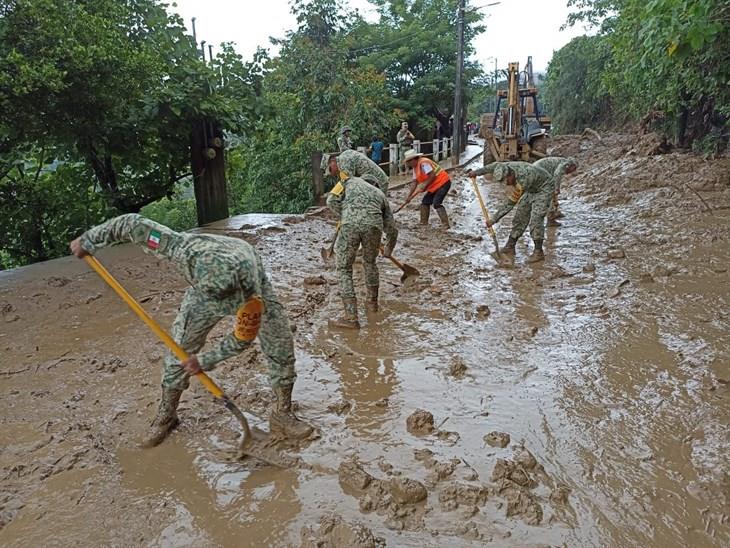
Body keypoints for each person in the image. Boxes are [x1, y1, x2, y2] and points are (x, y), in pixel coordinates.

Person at [68, 214, 314, 447]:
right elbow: (131, 223)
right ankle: (167, 416)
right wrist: (90, 240)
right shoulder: (177, 247)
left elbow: (242, 338)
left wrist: (204, 361)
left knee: (281, 346)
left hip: (248, 291)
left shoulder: (251, 292)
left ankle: (283, 414)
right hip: (200, 299)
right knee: (179, 353)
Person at [326, 175, 398, 329]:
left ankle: (351, 317)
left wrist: (345, 214)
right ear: (374, 184)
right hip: (374, 226)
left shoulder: (347, 181)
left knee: (344, 269)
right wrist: (388, 248)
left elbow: (330, 201)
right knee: (370, 263)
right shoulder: (380, 195)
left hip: (350, 224)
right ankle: (372, 305)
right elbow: (392, 228)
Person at [484, 162, 554, 263]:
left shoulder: (523, 181)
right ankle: (510, 246)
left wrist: (494, 219)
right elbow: (491, 166)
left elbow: (510, 204)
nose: (506, 183)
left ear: (511, 175)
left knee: (536, 218)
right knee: (520, 215)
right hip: (532, 189)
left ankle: (538, 252)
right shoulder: (507, 166)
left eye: (506, 180)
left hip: (544, 188)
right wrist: (476, 173)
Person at [402, 149, 452, 228]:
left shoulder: (424, 163)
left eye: (408, 162)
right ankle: (423, 222)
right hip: (433, 186)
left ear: (414, 159)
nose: (408, 164)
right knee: (425, 202)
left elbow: (432, 175)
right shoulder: (415, 168)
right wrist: (409, 196)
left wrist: (424, 184)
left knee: (437, 203)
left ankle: (445, 224)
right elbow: (414, 182)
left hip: (443, 182)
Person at [321, 149, 390, 195]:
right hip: (376, 182)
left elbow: (349, 185)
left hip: (379, 184)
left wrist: (333, 194)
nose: (332, 173)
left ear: (333, 161)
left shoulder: (344, 163)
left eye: (330, 169)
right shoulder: (343, 157)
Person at [533, 156, 578, 226]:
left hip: (538, 171)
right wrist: (557, 188)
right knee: (550, 194)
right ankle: (550, 220)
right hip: (538, 173)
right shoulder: (564, 164)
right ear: (571, 165)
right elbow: (557, 175)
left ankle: (555, 212)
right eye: (574, 169)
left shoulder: (563, 162)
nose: (572, 171)